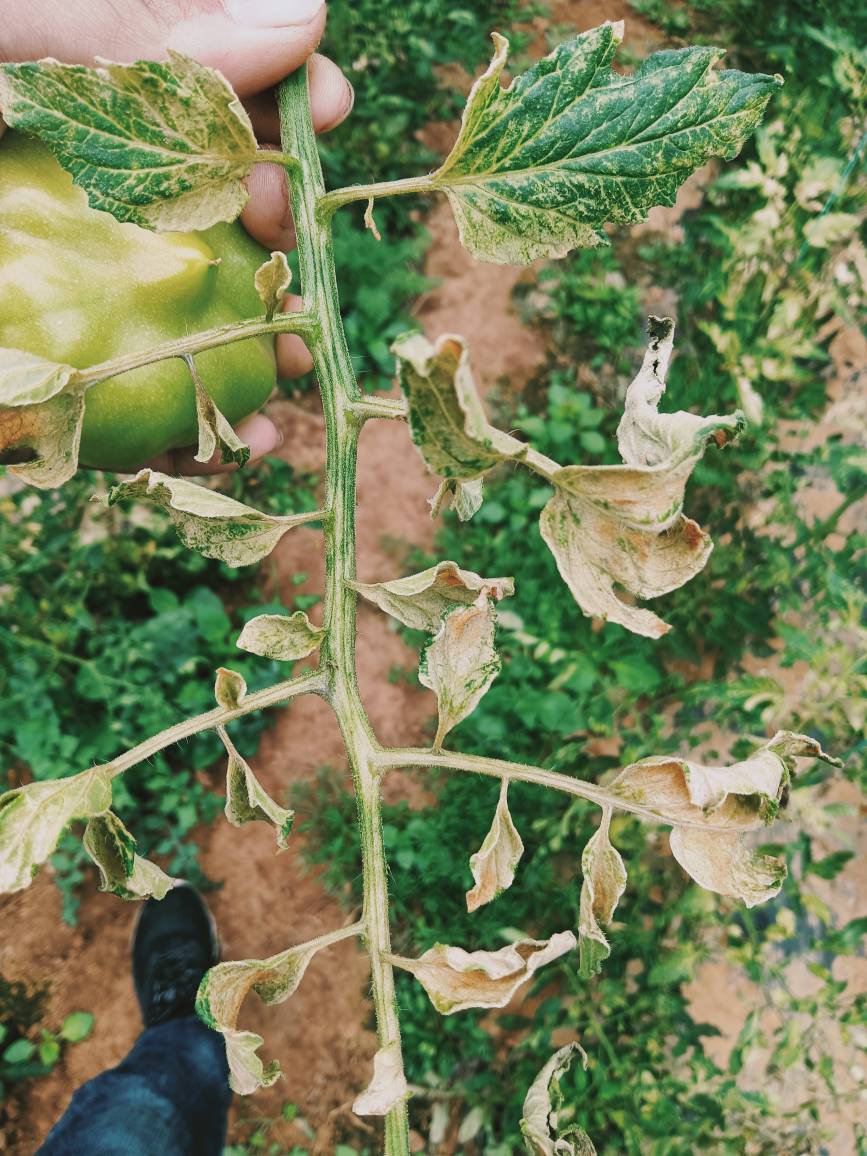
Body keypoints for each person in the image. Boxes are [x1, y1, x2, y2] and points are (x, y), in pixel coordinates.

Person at [0, 2, 352, 1151]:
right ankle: (187, 1041)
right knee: (157, 1110)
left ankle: (178, 1048)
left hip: (179, 339)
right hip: (206, 339)